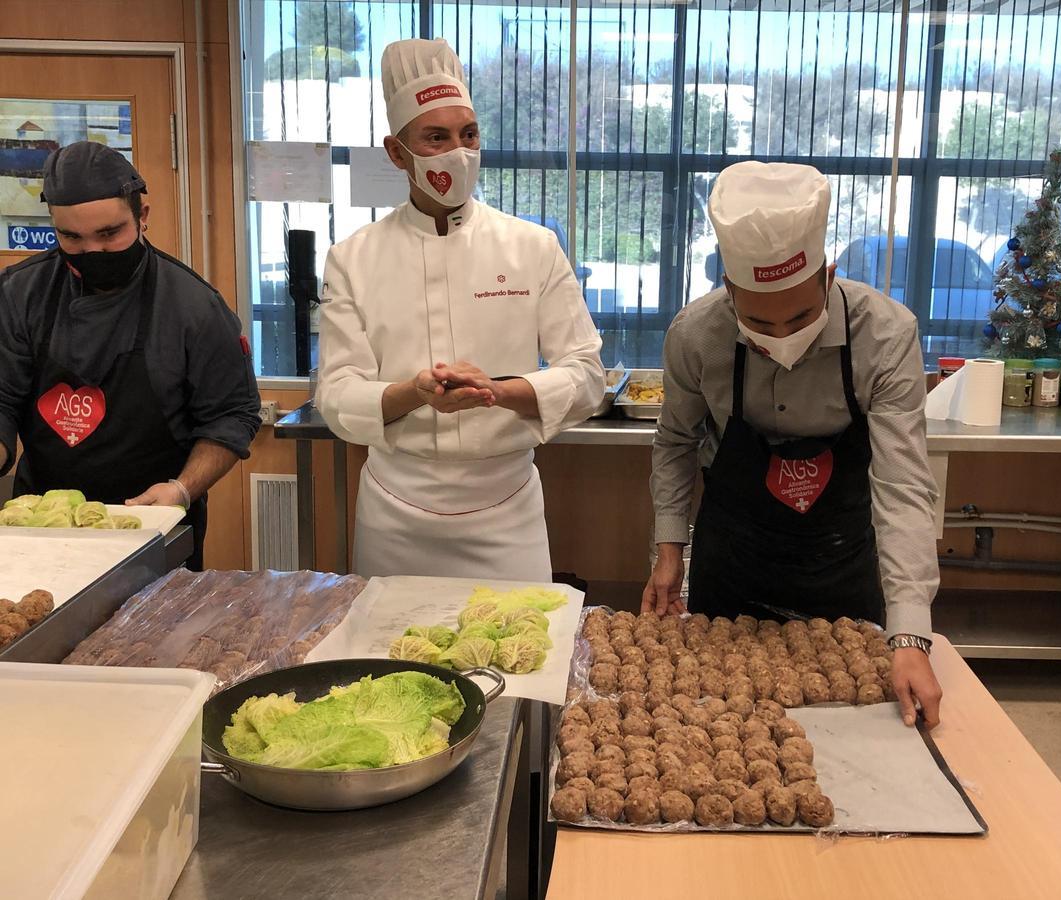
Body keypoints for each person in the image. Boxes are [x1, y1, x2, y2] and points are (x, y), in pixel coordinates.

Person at [643, 162, 943, 728]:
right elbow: (676, 443)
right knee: (718, 728)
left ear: (828, 277)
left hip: (844, 559)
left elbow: (904, 486)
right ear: (730, 291)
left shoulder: (885, 335)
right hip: (734, 558)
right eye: (760, 323)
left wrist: (910, 632)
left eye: (802, 315)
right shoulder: (696, 336)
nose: (783, 339)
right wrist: (667, 552)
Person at [316, 38, 604, 581]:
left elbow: (587, 375)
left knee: (521, 656)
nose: (458, 151)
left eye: (468, 134)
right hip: (396, 511)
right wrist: (412, 392)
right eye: (436, 137)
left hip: (506, 510)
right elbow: (335, 394)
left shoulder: (532, 247)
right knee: (396, 656)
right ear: (397, 152)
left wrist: (496, 392)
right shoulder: (353, 259)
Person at [0, 142, 261, 570]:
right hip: (42, 532)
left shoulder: (193, 306)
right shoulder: (18, 296)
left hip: (155, 528)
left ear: (142, 217)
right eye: (71, 237)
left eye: (109, 234)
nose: (93, 252)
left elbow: (233, 416)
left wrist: (179, 490)